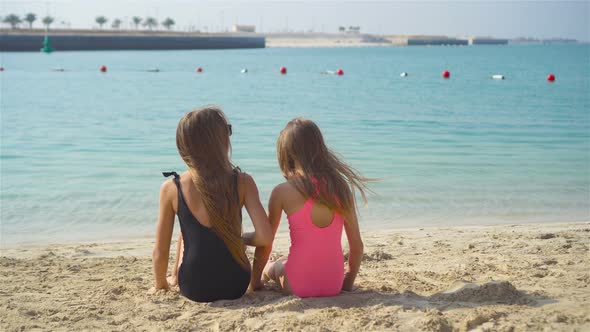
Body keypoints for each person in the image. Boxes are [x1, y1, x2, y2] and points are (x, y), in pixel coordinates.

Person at [151, 106, 272, 302]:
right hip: (237, 283)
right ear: (221, 140)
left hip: (194, 287)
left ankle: (173, 278)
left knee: (187, 231)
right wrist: (241, 239)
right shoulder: (242, 182)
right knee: (188, 233)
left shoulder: (172, 188)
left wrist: (160, 285)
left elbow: (160, 250)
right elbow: (265, 236)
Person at [250, 118, 368, 297]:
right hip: (333, 285)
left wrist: (255, 282)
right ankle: (280, 264)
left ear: (286, 154)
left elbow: (266, 244)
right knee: (285, 260)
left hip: (297, 284)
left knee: (276, 267)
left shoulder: (282, 192)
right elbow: (357, 246)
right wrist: (347, 284)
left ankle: (268, 270)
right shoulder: (341, 188)